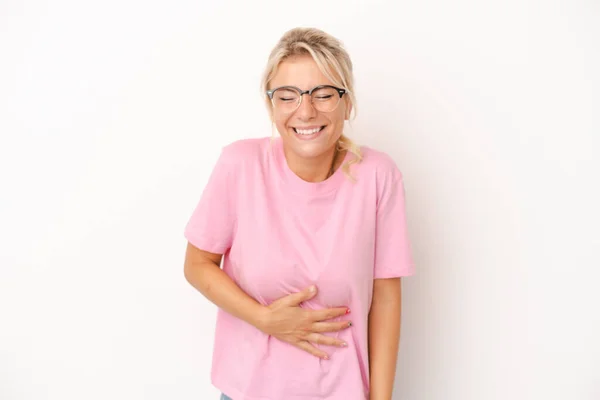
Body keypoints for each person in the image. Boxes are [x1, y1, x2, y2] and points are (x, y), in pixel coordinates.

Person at [183, 27, 415, 400]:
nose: (305, 111)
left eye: (323, 94)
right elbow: (197, 264)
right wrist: (265, 320)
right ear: (272, 105)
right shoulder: (240, 165)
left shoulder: (378, 175)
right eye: (287, 96)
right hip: (248, 390)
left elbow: (386, 298)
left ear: (347, 102)